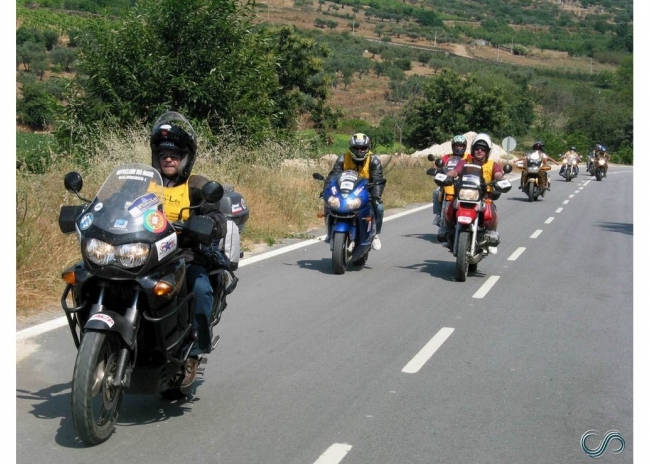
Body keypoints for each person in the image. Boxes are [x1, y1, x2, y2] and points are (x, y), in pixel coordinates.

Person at [150, 111, 227, 388]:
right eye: (163, 154)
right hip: (145, 255)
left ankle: (194, 351)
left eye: (175, 155)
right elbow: (117, 202)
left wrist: (207, 224)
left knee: (201, 290)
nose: (168, 159)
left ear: (186, 158)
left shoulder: (197, 185)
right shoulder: (145, 182)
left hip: (184, 255)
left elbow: (217, 218)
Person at [442, 133, 504, 254]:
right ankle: (447, 232)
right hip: (464, 195)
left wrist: (501, 179)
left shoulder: (492, 164)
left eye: (483, 149)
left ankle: (491, 236)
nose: (480, 151)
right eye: (477, 148)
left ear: (487, 151)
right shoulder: (465, 161)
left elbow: (498, 174)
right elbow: (455, 171)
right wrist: (448, 176)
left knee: (491, 212)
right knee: (449, 208)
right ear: (473, 149)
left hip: (484, 197)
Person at [324, 132, 386, 250]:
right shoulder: (343, 158)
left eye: (363, 148)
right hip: (345, 190)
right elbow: (332, 177)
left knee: (378, 207)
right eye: (356, 148)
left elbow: (378, 178)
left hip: (366, 191)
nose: (359, 151)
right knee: (328, 204)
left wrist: (376, 195)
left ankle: (375, 234)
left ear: (368, 148)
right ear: (351, 148)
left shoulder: (373, 160)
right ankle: (329, 231)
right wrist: (326, 192)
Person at [432, 134, 470, 227]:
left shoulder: (469, 157)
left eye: (461, 146)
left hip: (463, 182)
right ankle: (438, 214)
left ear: (465, 146)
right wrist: (435, 169)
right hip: (448, 181)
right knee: (436, 192)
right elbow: (436, 165)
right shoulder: (447, 157)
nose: (459, 148)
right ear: (453, 146)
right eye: (457, 145)